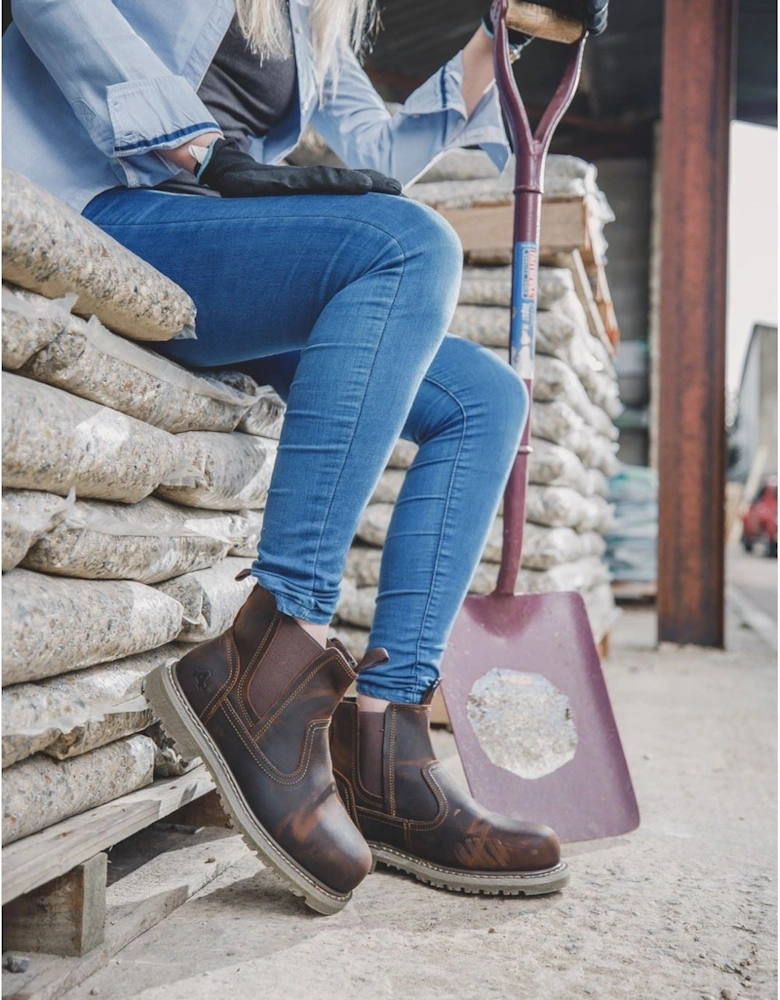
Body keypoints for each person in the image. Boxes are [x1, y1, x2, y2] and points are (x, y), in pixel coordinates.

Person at [4, 0, 607, 914]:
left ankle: (386, 751)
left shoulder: (311, 16)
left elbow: (385, 148)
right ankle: (270, 660)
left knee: (486, 400)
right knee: (408, 248)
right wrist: (195, 145)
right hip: (105, 203)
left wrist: (506, 34)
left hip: (214, 249)